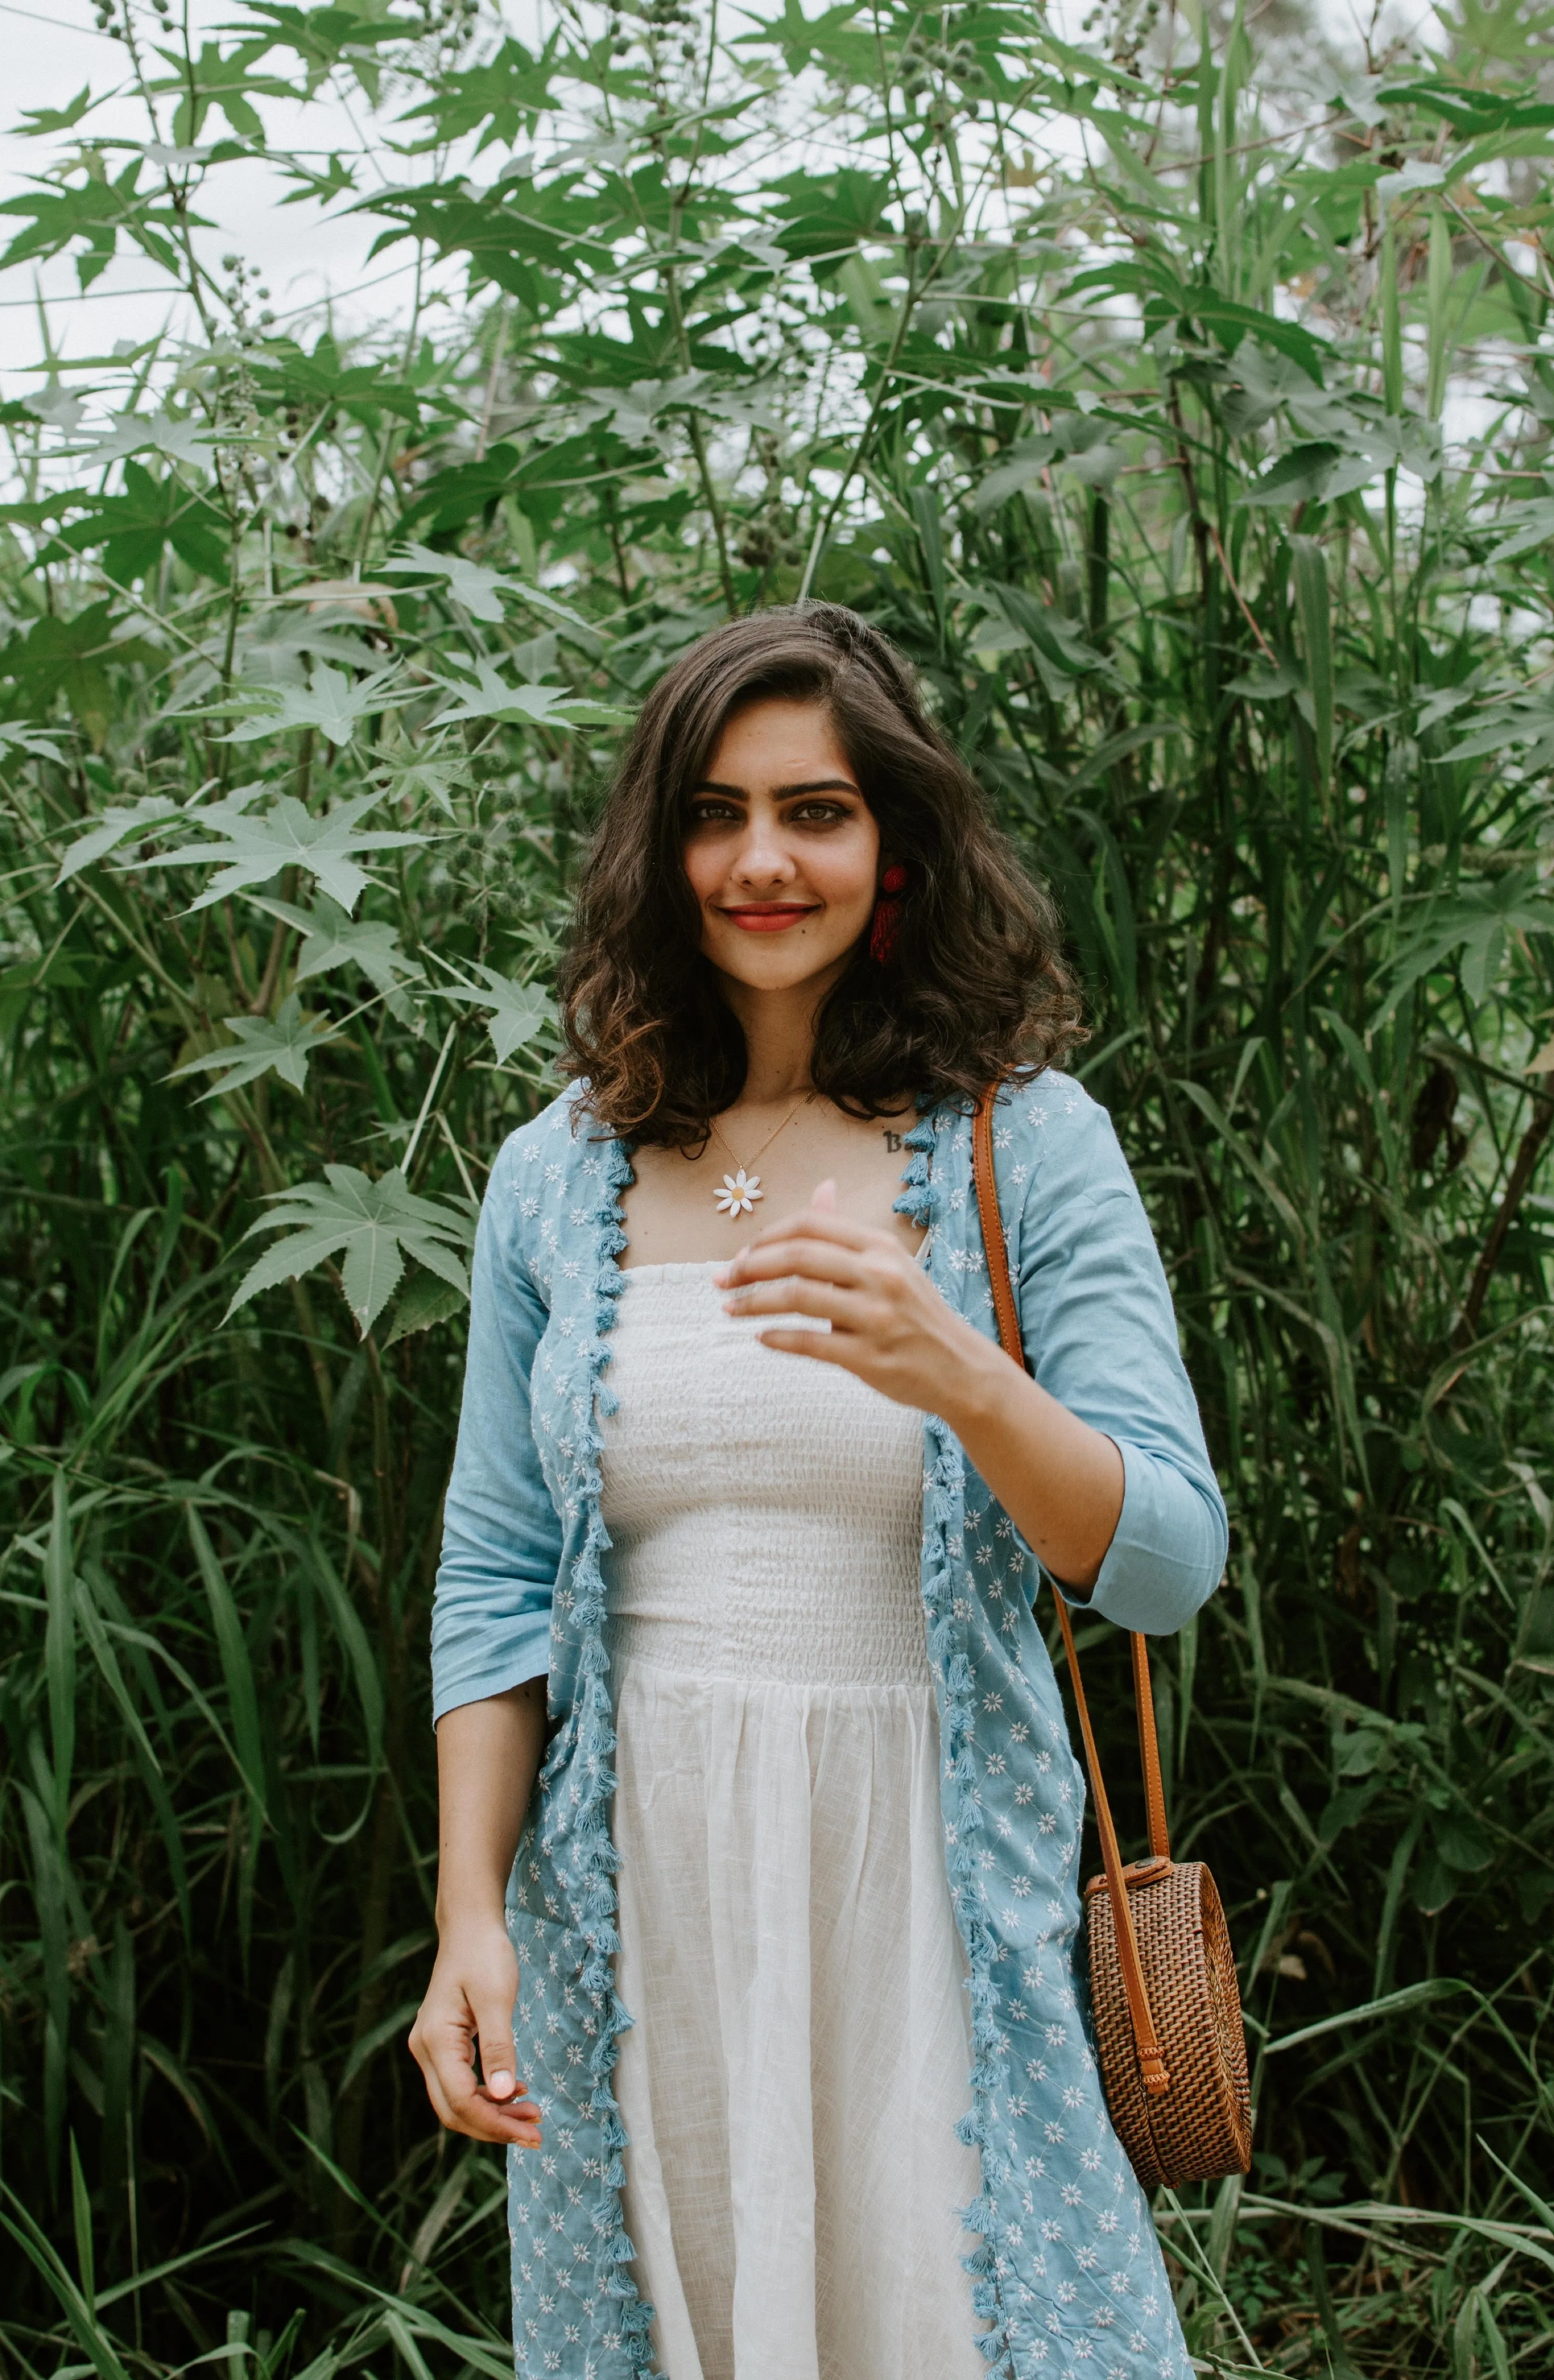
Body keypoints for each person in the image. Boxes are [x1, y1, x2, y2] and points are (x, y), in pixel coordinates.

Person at [408, 604, 1227, 2380]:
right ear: (657, 850)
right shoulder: (554, 1177)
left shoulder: (1021, 1139)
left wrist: (957, 1371)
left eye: (818, 812)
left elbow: (1164, 1563)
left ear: (899, 852)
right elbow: (493, 1574)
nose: (761, 860)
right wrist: (471, 1918)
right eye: (712, 813)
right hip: (633, 1902)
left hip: (921, 1884)